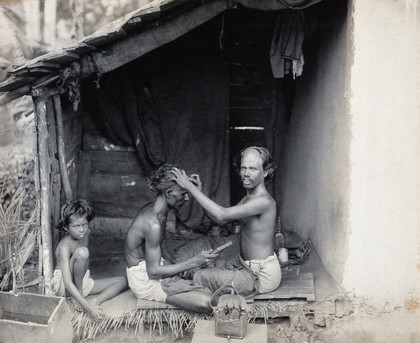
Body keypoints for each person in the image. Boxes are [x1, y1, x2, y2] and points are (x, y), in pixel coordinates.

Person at [171, 146, 281, 297]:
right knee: (203, 264)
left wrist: (189, 187)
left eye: (252, 169)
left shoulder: (264, 201)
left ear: (266, 172)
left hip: (259, 277)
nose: (246, 174)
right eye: (243, 168)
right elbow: (219, 220)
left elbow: (222, 214)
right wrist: (200, 190)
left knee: (201, 276)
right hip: (243, 265)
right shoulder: (250, 198)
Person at [124, 164, 219, 313]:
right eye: (183, 194)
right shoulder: (152, 223)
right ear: (169, 193)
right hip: (146, 281)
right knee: (209, 302)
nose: (186, 199)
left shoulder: (160, 209)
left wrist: (179, 269)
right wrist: (194, 262)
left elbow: (163, 247)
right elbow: (153, 272)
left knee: (203, 277)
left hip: (155, 266)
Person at [51, 199, 127, 320]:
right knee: (83, 252)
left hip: (81, 281)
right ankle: (79, 298)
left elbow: (83, 263)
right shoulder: (64, 246)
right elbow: (67, 282)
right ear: (66, 228)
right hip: (64, 286)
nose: (81, 229)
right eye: (76, 226)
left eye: (84, 224)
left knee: (122, 281)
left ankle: (95, 301)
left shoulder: (86, 233)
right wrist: (88, 309)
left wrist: (92, 302)